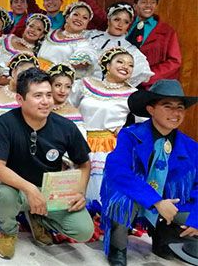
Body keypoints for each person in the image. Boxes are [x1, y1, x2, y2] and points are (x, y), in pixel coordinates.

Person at [0, 68, 94, 259]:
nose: (46, 101)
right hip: (18, 189)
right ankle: (9, 231)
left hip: (52, 190)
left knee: (83, 230)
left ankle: (39, 219)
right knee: (4, 194)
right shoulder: (5, 123)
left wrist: (80, 192)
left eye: (48, 95)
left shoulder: (65, 127)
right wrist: (30, 190)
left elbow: (84, 163)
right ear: (20, 99)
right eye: (37, 96)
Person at [101, 79, 198, 265]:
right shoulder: (130, 135)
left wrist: (195, 219)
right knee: (122, 200)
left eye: (180, 107)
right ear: (151, 109)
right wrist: (156, 201)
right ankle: (118, 247)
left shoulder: (192, 147)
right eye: (167, 106)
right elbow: (117, 171)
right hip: (140, 200)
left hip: (171, 205)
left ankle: (163, 236)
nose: (175, 113)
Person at [69, 47, 137, 209]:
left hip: (108, 147)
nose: (125, 67)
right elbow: (66, 105)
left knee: (100, 192)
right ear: (107, 65)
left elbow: (146, 123)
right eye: (120, 61)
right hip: (79, 141)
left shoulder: (132, 94)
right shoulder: (85, 84)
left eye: (130, 65)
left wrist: (127, 131)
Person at [85, 2, 153, 87]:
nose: (120, 25)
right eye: (117, 19)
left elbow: (141, 70)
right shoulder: (90, 36)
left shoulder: (130, 49)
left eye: (126, 22)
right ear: (109, 18)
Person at [126, 0, 181, 88]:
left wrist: (147, 76)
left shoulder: (167, 31)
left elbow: (174, 62)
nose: (148, 5)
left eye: (152, 2)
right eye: (144, 2)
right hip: (120, 80)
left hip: (148, 86)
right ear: (135, 6)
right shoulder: (125, 24)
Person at [0, 13, 51, 81]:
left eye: (39, 29)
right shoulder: (8, 37)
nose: (33, 30)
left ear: (42, 35)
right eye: (31, 26)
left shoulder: (30, 56)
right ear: (26, 26)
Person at [37, 1, 97, 75]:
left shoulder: (83, 44)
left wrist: (54, 70)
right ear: (67, 17)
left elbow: (84, 61)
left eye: (84, 18)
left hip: (56, 79)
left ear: (86, 24)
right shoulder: (50, 33)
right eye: (76, 14)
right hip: (35, 72)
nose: (79, 19)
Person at [46, 64, 86, 139]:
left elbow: (79, 144)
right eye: (58, 85)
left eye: (67, 87)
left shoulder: (74, 114)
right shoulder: (40, 108)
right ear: (49, 86)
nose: (62, 91)